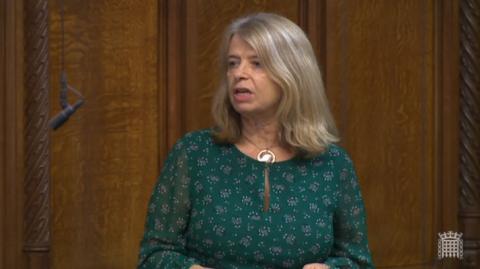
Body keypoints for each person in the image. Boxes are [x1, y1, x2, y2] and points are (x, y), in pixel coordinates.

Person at [137, 13, 375, 269]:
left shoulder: (332, 164)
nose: (239, 73)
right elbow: (154, 254)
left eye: (257, 63)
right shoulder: (194, 153)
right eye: (232, 63)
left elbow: (357, 261)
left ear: (293, 74)